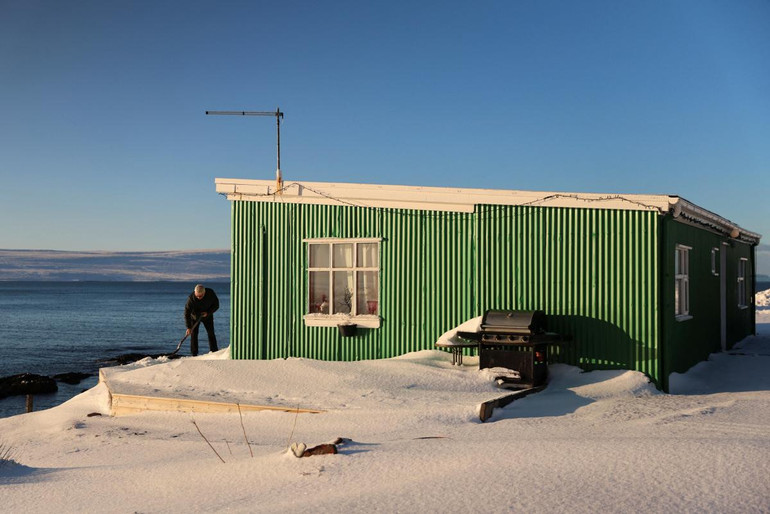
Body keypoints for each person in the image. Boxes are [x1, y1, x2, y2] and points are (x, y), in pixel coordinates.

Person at [184, 284, 219, 356]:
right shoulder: (191, 299)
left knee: (211, 333)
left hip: (207, 316)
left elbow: (216, 305)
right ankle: (194, 354)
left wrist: (208, 312)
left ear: (204, 293)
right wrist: (188, 327)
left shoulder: (210, 293)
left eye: (200, 296)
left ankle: (214, 351)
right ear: (195, 292)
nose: (198, 298)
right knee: (194, 334)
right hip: (194, 317)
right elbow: (186, 313)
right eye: (197, 296)